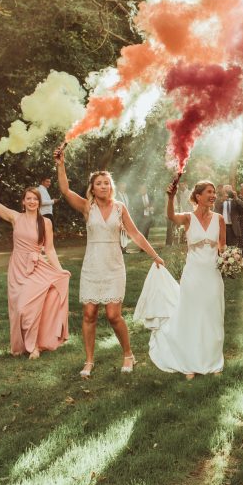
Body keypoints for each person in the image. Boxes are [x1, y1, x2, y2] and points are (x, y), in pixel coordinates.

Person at [54, 146, 165, 378]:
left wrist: (154, 255)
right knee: (89, 314)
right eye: (99, 183)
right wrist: (60, 163)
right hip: (92, 265)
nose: (104, 186)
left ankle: (128, 354)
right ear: (92, 189)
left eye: (107, 182)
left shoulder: (119, 208)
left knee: (114, 315)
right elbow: (64, 190)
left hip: (113, 265)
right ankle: (89, 361)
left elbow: (135, 234)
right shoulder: (87, 207)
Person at [134, 180, 226, 379]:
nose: (213, 195)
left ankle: (214, 362)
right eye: (209, 192)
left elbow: (222, 247)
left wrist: (229, 261)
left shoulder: (219, 219)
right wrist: (170, 197)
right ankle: (189, 362)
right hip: (193, 274)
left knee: (213, 315)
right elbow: (170, 216)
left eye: (214, 192)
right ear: (198, 196)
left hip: (212, 274)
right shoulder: (187, 218)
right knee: (192, 315)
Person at [0, 164, 70, 359]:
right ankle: (22, 346)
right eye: (29, 199)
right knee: (17, 309)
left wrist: (60, 270)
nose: (32, 202)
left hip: (36, 267)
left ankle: (35, 347)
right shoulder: (16, 218)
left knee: (26, 307)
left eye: (35, 199)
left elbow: (49, 249)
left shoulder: (46, 222)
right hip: (17, 267)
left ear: (39, 203)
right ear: (23, 202)